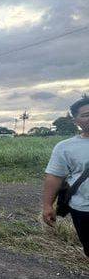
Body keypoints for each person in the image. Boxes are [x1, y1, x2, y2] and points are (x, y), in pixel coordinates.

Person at [42, 96, 89, 257]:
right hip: (84, 209)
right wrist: (48, 205)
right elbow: (54, 177)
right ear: (76, 121)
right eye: (86, 114)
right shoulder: (65, 147)